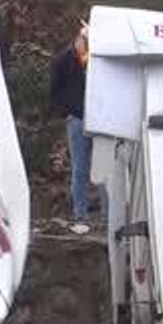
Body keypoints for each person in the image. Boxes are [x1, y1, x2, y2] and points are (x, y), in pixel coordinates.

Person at [50, 23, 95, 234]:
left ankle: (108, 214)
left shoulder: (98, 59)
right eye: (85, 41)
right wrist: (66, 111)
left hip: (101, 119)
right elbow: (54, 89)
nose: (85, 45)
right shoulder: (64, 59)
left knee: (104, 168)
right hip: (77, 119)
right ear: (78, 39)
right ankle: (80, 214)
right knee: (80, 167)